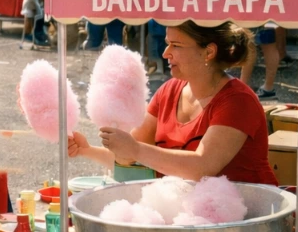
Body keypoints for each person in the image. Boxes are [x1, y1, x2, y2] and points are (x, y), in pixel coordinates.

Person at [68, 21, 277, 184]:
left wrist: (135, 150)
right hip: (188, 218)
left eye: (175, 45)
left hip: (245, 218)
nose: (165, 53)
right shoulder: (169, 91)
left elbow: (202, 167)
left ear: (209, 52)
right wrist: (87, 150)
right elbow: (129, 157)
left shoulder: (238, 102)